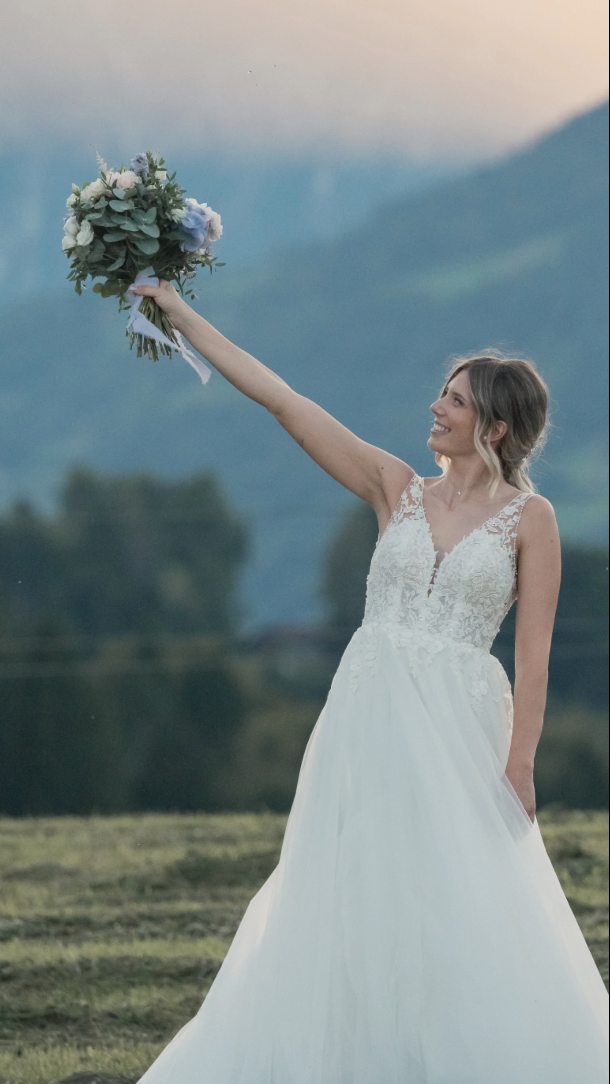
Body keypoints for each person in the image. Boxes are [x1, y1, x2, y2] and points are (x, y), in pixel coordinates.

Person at [134, 280, 608, 1083]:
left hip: (460, 736)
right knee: (352, 891)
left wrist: (520, 764)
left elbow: (534, 658)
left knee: (458, 901)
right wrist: (179, 312)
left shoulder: (533, 522)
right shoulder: (396, 488)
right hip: (369, 721)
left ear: (494, 426)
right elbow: (284, 401)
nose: (435, 408)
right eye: (441, 395)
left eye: (453, 402)